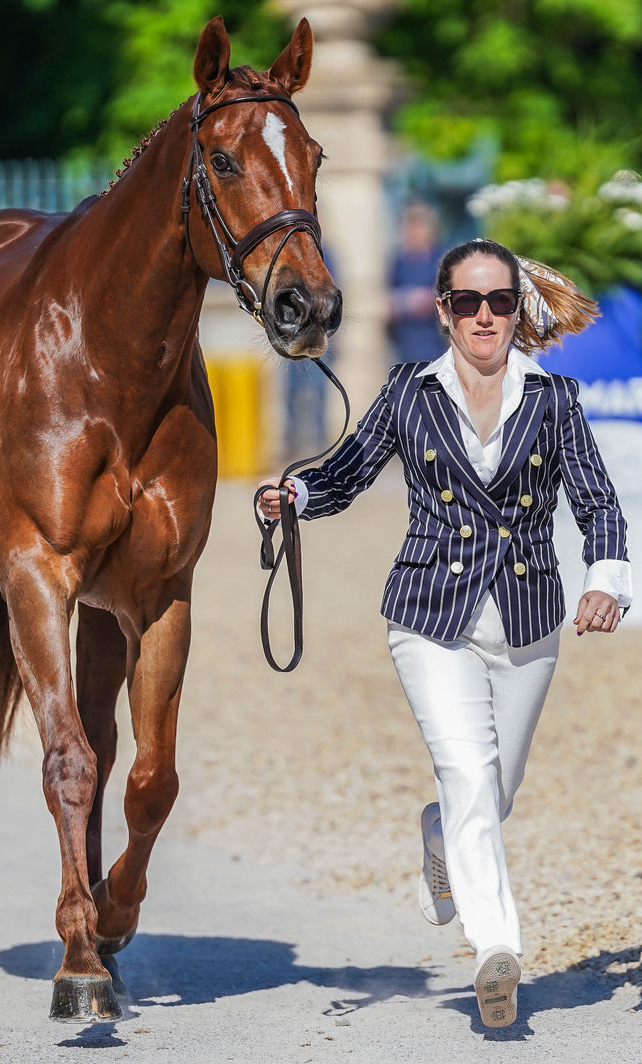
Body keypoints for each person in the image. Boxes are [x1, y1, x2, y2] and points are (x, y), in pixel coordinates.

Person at [257, 237, 632, 1028]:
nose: (485, 316)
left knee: (493, 793)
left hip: (530, 622)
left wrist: (605, 581)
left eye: (499, 301)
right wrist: (293, 492)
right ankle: (498, 951)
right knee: (467, 774)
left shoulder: (554, 398)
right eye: (469, 302)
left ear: (516, 306)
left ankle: (439, 840)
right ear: (444, 312)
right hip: (429, 618)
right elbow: (349, 469)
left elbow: (598, 503)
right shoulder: (407, 390)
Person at [385, 201, 447, 364]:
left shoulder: (441, 260)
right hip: (404, 344)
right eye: (409, 226)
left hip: (434, 345)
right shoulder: (399, 261)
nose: (413, 232)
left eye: (418, 226)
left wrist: (424, 299)